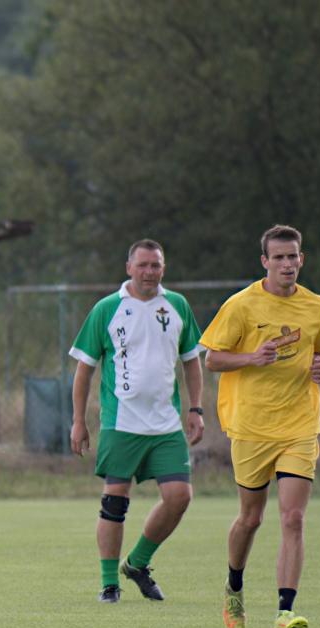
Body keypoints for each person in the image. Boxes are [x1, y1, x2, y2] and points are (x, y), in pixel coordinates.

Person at [200, 224, 320, 628]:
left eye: (293, 256)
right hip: (252, 427)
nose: (287, 264)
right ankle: (234, 585)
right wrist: (252, 358)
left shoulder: (317, 306)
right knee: (250, 518)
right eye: (279, 257)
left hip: (299, 425)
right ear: (264, 262)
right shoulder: (241, 305)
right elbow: (212, 359)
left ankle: (285, 612)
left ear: (301, 259)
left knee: (293, 518)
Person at [69, 239, 205, 603]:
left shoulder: (177, 305)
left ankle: (137, 563)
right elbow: (84, 369)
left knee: (179, 497)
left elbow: (192, 361)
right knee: (115, 502)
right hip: (121, 422)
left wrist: (196, 409)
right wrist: (78, 421)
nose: (149, 271)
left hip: (166, 425)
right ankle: (108, 584)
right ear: (129, 267)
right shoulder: (107, 309)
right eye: (142, 265)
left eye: (155, 265)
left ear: (163, 268)